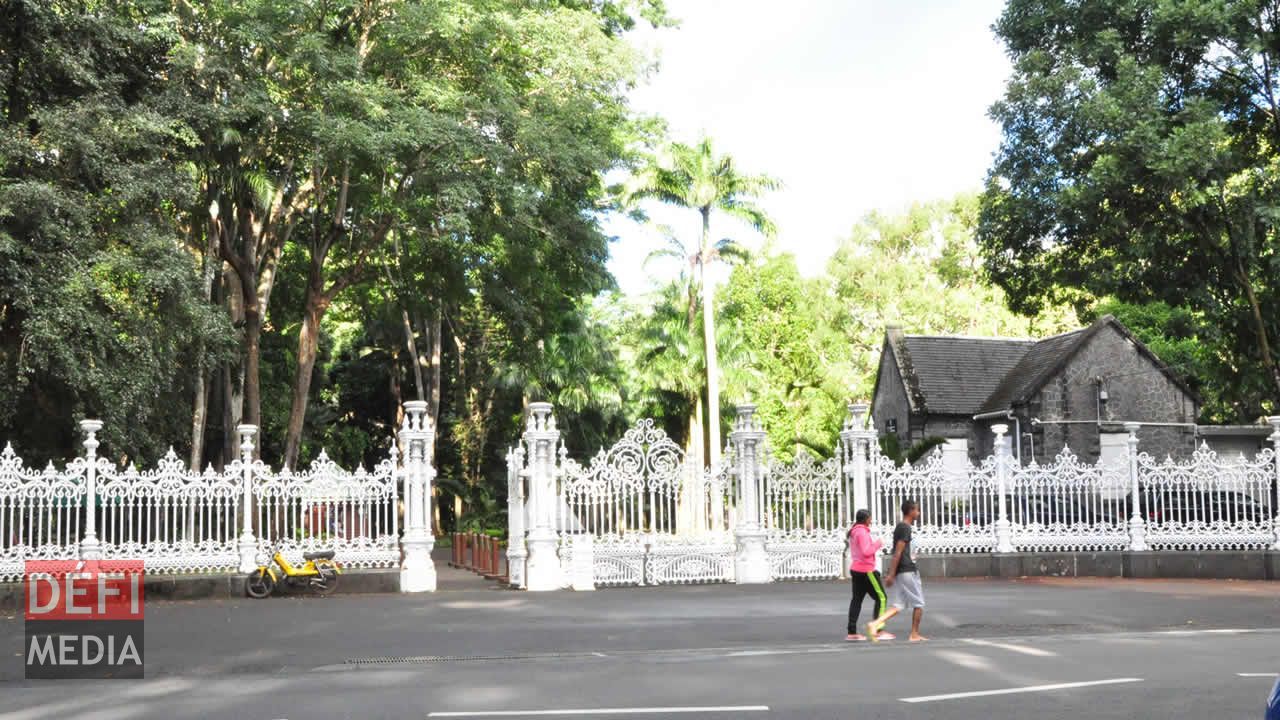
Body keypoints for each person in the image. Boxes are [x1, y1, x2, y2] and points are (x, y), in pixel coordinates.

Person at [867, 498, 927, 643]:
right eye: (917, 510)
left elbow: (899, 551)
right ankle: (914, 634)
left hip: (902, 570)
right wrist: (891, 574)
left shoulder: (902, 527)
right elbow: (898, 552)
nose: (918, 513)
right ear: (911, 511)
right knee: (919, 604)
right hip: (907, 570)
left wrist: (893, 572)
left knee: (899, 605)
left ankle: (875, 624)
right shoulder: (905, 527)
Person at [845, 509, 893, 641]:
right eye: (870, 518)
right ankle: (878, 630)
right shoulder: (862, 532)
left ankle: (852, 632)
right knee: (882, 598)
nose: (871, 520)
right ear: (866, 519)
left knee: (856, 600)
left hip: (856, 569)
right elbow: (866, 551)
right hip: (866, 571)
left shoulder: (855, 531)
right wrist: (878, 543)